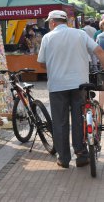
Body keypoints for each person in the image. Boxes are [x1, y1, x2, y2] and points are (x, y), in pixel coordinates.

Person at [38, 10, 104, 169]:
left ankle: (64, 158)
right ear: (65, 21)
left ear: (53, 22)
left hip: (57, 86)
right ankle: (81, 155)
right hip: (80, 84)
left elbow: (41, 63)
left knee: (60, 123)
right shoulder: (80, 34)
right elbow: (99, 52)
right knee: (79, 118)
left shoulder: (48, 37)